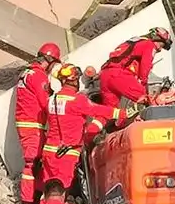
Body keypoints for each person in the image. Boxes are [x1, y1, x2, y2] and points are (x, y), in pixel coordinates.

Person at [43, 64, 133, 193]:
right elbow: (99, 110)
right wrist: (124, 113)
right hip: (67, 154)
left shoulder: (51, 100)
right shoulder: (77, 100)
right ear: (73, 80)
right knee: (60, 192)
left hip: (49, 151)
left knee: (48, 190)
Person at [14, 43, 63, 204]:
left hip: (27, 123)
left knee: (35, 162)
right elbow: (45, 103)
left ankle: (32, 196)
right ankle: (28, 202)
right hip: (32, 124)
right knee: (32, 162)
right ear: (49, 60)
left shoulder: (26, 73)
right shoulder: (38, 76)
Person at [97, 27, 173, 108]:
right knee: (146, 99)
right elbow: (145, 67)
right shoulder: (149, 44)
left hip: (105, 75)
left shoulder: (135, 41)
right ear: (156, 38)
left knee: (110, 111)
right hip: (118, 74)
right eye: (162, 45)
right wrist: (143, 85)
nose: (160, 49)